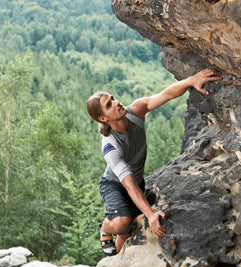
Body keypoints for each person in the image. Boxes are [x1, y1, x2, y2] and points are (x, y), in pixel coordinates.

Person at [86, 68, 222, 256]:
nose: (117, 103)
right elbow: (129, 184)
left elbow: (165, 94)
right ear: (103, 118)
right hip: (114, 185)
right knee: (121, 222)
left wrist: (191, 80)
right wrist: (151, 215)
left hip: (135, 182)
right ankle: (105, 228)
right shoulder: (110, 146)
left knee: (126, 235)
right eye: (109, 105)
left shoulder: (135, 111)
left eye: (113, 98)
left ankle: (111, 265)